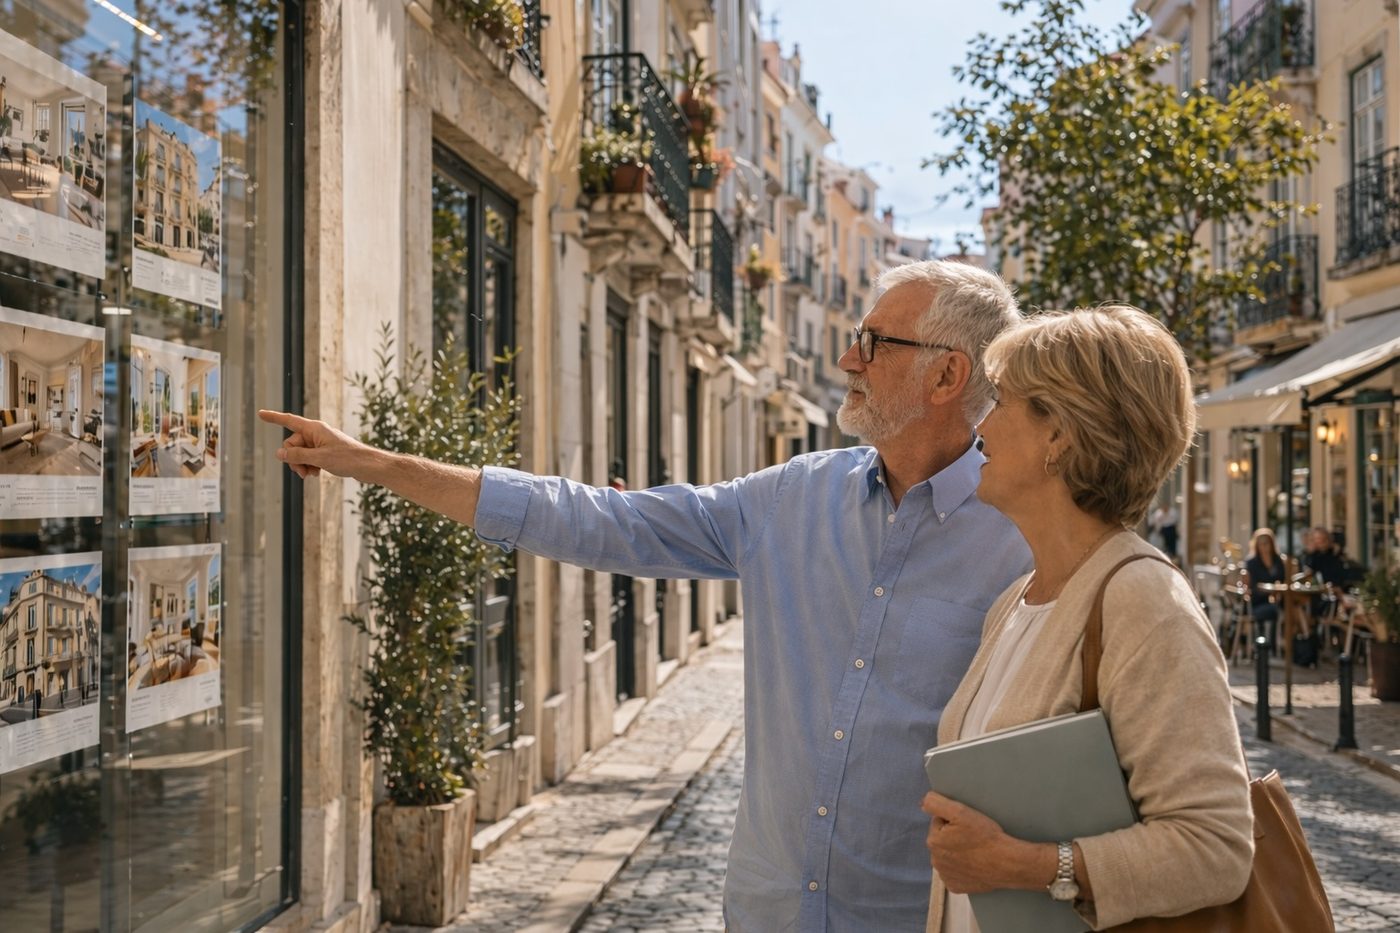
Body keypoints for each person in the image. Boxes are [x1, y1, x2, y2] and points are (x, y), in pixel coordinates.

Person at [262, 260, 1032, 932]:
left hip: (916, 918)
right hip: (768, 913)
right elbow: (601, 521)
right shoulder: (790, 499)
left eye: (873, 342)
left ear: (946, 375)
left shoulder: (1025, 541)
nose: (845, 357)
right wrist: (376, 463)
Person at [920, 306, 1253, 931]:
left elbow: (1217, 848)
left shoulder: (1143, 600)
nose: (980, 423)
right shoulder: (1015, 600)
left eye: (1001, 401)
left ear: (1060, 434)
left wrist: (1033, 866)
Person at [1244, 527, 1287, 652]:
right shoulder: (1252, 562)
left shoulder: (1277, 560)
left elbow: (1282, 579)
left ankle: (1286, 645)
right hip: (1257, 600)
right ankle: (1267, 647)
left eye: (1266, 543)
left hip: (1276, 599)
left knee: (1288, 609)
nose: (1264, 546)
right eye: (1261, 543)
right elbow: (1252, 586)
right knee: (1273, 611)